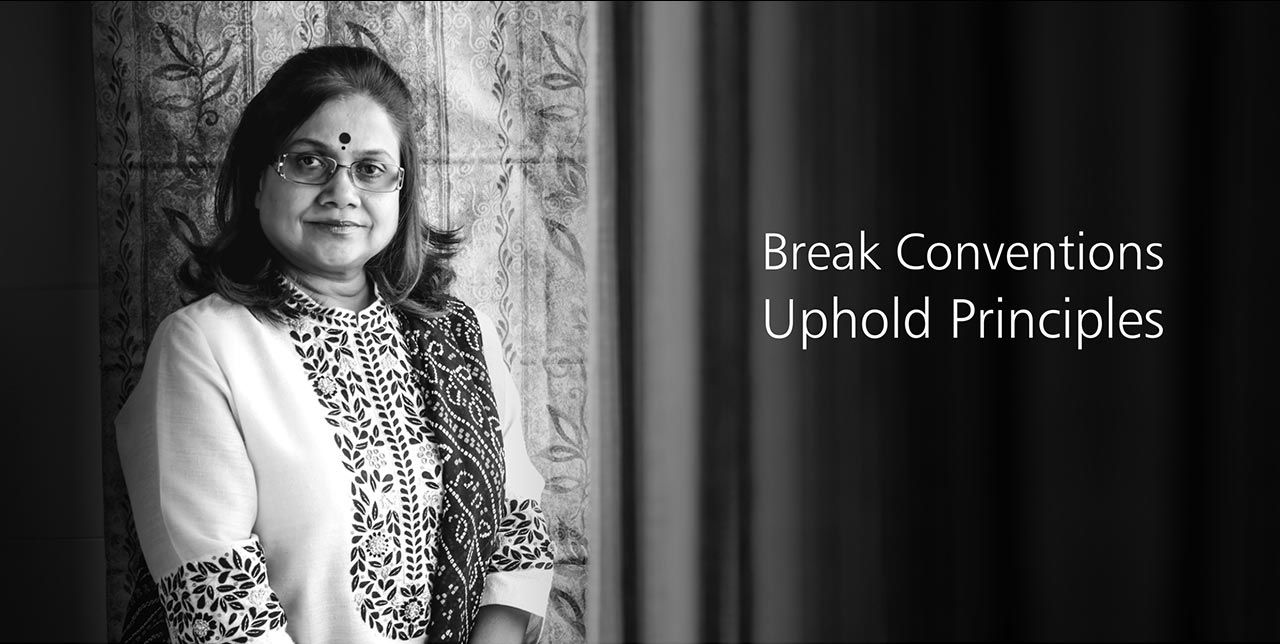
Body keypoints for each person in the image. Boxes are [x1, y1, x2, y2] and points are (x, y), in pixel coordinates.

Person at [116, 45, 554, 644]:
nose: (342, 192)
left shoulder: (460, 334)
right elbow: (221, 610)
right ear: (257, 182)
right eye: (308, 162)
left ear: (401, 192)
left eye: (370, 169)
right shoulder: (205, 346)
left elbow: (519, 533)